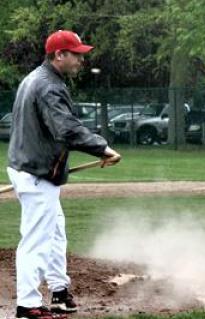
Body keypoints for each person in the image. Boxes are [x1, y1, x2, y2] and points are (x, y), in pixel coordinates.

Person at [7, 30, 121, 319]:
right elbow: (66, 129)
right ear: (59, 54)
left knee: (55, 232)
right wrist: (103, 148)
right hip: (37, 172)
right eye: (77, 54)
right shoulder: (49, 86)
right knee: (36, 240)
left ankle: (58, 291)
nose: (81, 59)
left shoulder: (37, 78)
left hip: (30, 166)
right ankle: (27, 305)